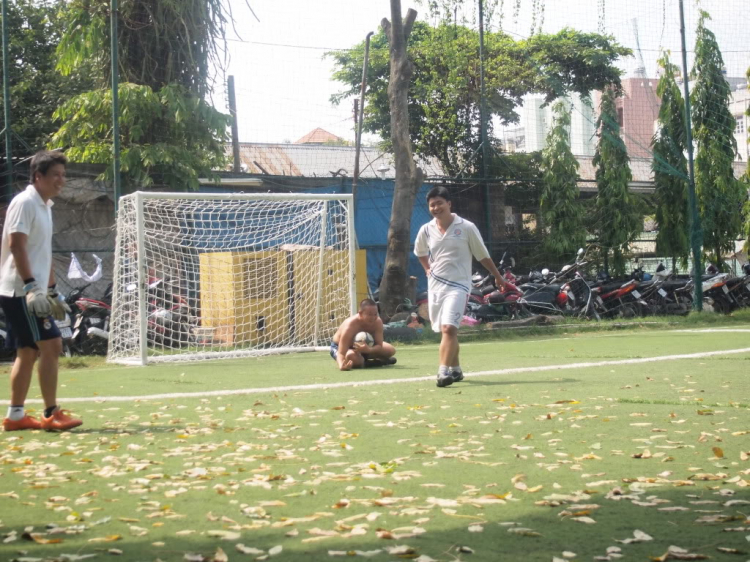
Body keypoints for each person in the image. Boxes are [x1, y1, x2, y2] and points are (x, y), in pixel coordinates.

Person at [0, 150, 82, 431]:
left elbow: (42, 252)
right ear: (38, 177)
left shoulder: (46, 206)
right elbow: (16, 245)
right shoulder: (25, 202)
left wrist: (52, 290)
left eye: (63, 175)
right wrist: (32, 287)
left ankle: (15, 416)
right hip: (20, 291)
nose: (61, 180)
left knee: (27, 352)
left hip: (31, 290)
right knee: (52, 345)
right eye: (55, 175)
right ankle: (51, 413)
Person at [414, 186, 517, 387]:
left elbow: (482, 255)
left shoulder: (467, 227)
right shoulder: (426, 230)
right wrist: (427, 268)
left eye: (439, 203)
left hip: (459, 286)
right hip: (436, 287)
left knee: (449, 328)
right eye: (432, 205)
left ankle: (443, 372)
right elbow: (419, 252)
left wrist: (498, 278)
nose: (436, 207)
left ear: (449, 204)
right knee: (446, 331)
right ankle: (456, 369)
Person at [331, 298, 397, 371]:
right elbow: (341, 352)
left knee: (391, 350)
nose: (373, 317)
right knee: (353, 358)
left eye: (375, 314)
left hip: (366, 348)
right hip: (342, 347)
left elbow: (379, 345)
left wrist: (369, 349)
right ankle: (373, 363)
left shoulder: (378, 322)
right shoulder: (350, 326)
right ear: (360, 313)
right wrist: (341, 365)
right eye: (369, 314)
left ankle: (366, 360)